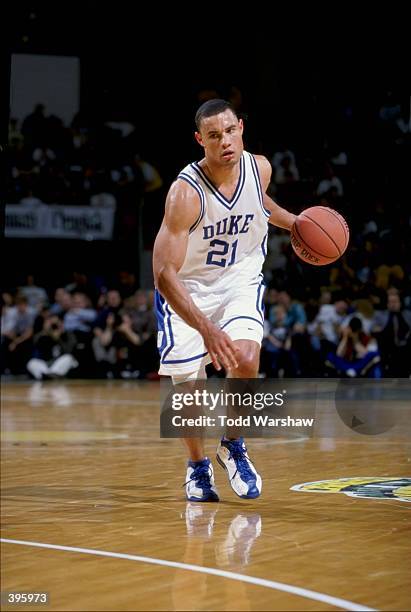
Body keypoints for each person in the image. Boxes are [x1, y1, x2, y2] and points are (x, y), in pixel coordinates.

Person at [153, 99, 296, 502]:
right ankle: (197, 466)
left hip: (238, 278)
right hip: (187, 289)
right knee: (189, 391)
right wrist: (206, 328)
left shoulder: (259, 168)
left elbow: (260, 205)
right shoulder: (185, 194)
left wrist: (296, 222)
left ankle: (232, 443)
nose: (225, 141)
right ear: (201, 140)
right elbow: (164, 274)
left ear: (241, 129)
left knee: (247, 356)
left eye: (230, 131)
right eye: (214, 135)